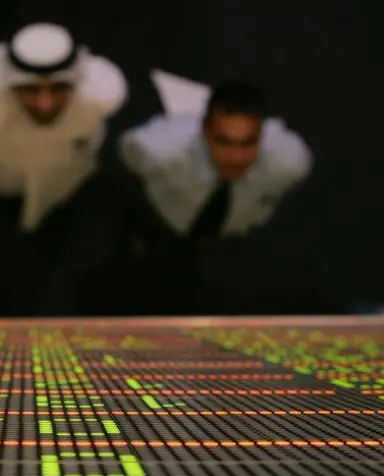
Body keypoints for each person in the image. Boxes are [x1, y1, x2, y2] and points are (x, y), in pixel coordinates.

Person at [0, 23, 128, 316]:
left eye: (59, 88)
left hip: (68, 199)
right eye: (29, 89)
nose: (45, 104)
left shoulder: (101, 94)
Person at [116, 81, 313, 313]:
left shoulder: (290, 162)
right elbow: (127, 159)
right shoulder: (157, 150)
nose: (236, 157)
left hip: (236, 244)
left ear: (263, 134)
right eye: (224, 142)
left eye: (248, 143)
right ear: (205, 131)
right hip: (159, 231)